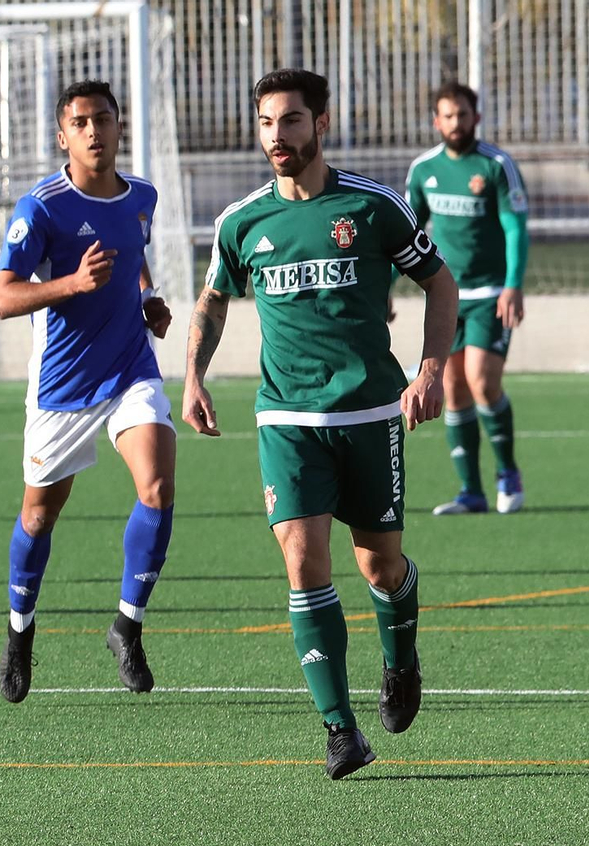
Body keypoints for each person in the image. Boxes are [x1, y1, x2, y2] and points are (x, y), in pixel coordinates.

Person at [181, 69, 458, 780]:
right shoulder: (241, 222)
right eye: (268, 123)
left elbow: (439, 281)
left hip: (370, 412)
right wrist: (194, 375)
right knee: (303, 562)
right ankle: (340, 729)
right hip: (285, 417)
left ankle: (400, 657)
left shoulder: (371, 208)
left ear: (321, 124)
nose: (279, 136)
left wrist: (431, 370)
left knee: (379, 564)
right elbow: (213, 302)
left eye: (293, 121)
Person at [0, 80, 178, 703]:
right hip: (62, 383)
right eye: (80, 122)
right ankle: (20, 632)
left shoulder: (143, 197)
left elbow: (134, 256)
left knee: (157, 486)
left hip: (130, 366)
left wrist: (148, 298)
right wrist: (71, 284)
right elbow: (4, 296)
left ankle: (127, 625)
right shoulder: (40, 207)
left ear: (120, 125)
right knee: (39, 515)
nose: (93, 131)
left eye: (103, 119)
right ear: (62, 135)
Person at [404, 82, 530, 515]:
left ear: (476, 117)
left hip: (491, 293)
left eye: (463, 114)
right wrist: (383, 288)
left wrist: (513, 284)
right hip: (447, 297)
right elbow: (405, 234)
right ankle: (471, 492)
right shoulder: (423, 170)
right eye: (448, 115)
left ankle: (508, 470)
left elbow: (515, 227)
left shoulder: (497, 165)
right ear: (436, 122)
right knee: (452, 387)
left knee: (482, 379)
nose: (457, 123)